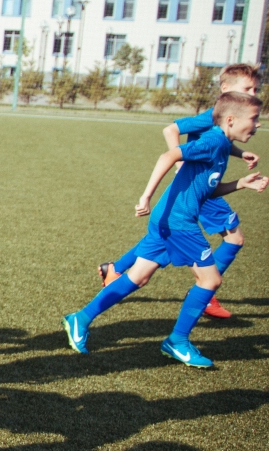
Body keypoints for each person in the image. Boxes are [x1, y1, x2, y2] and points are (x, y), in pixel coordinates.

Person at [64, 91, 264, 369]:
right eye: (254, 119)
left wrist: (240, 184)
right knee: (210, 281)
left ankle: (81, 318)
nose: (257, 126)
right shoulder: (213, 141)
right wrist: (146, 196)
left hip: (169, 218)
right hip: (178, 222)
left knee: (138, 276)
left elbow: (207, 189)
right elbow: (168, 155)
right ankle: (178, 341)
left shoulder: (222, 146)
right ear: (230, 119)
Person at [98, 63, 262, 319]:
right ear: (226, 89)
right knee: (231, 239)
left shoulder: (231, 119)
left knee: (160, 241)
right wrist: (181, 159)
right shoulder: (212, 115)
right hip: (198, 187)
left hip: (205, 183)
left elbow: (218, 143)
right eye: (247, 87)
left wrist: (240, 153)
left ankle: (115, 271)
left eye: (255, 88)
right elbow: (172, 130)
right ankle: (205, 293)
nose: (253, 92)